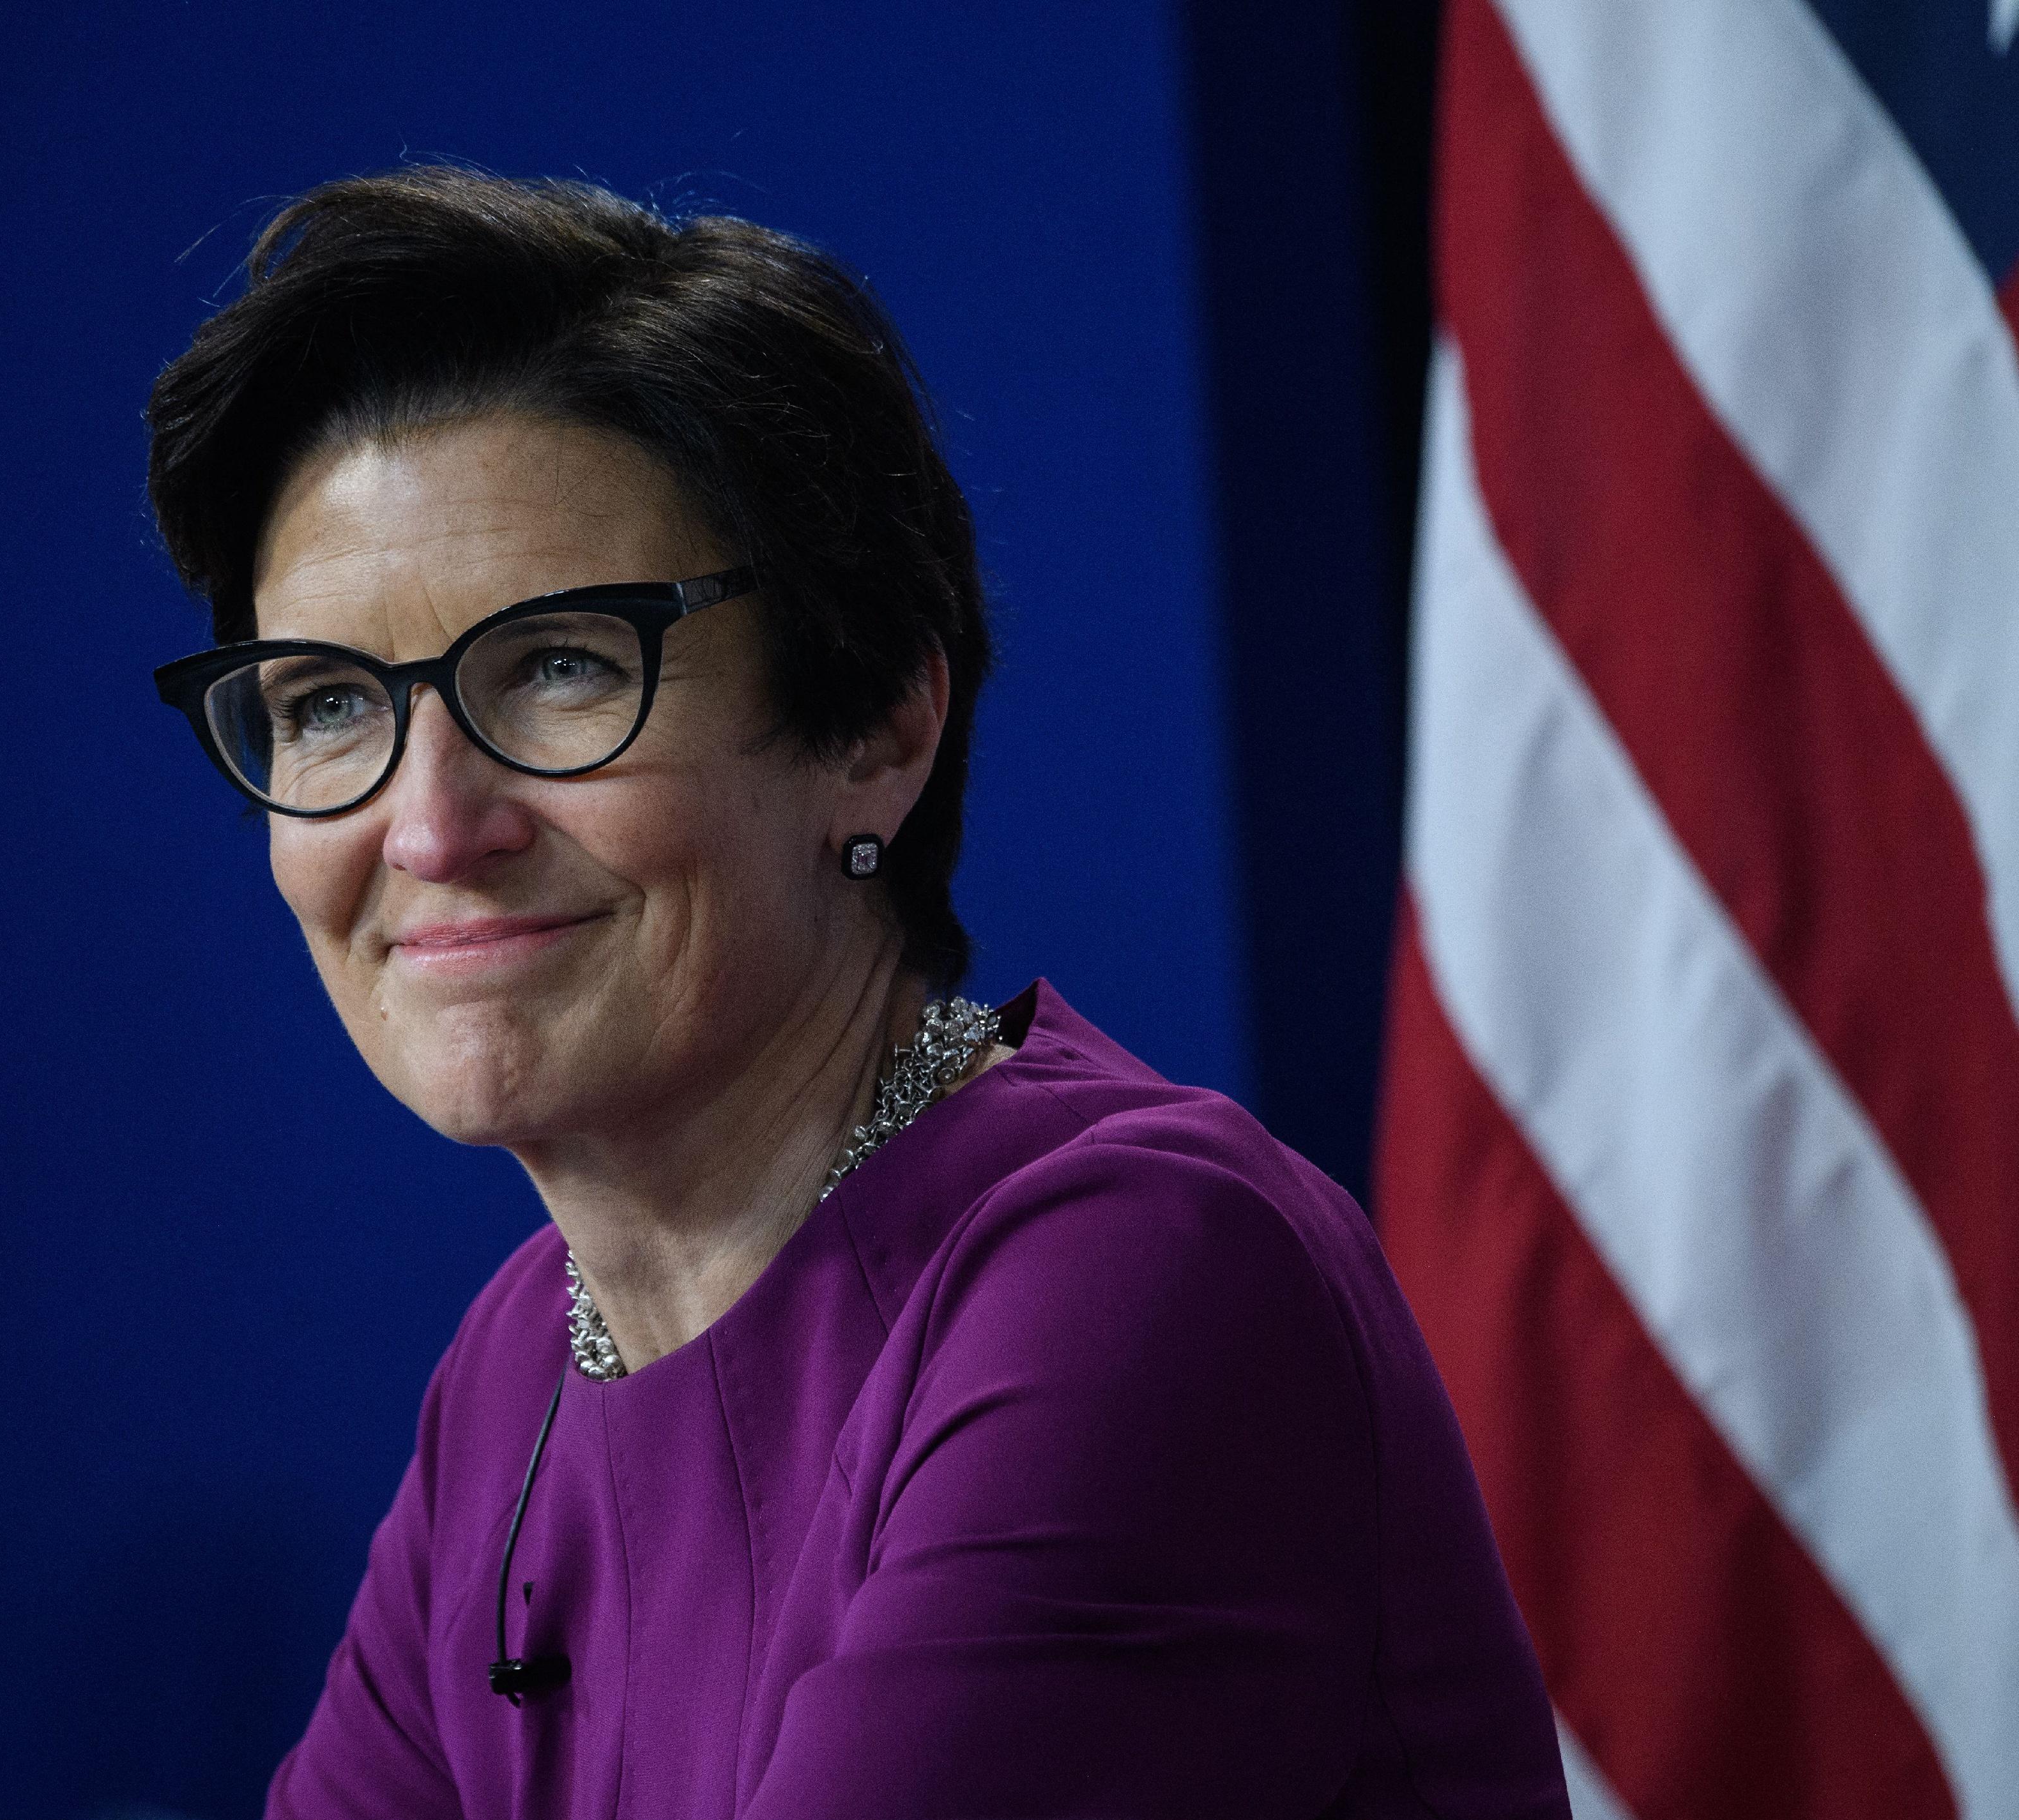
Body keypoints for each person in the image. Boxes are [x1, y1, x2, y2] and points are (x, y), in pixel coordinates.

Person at [143, 166, 1567, 1819]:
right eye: (326, 705)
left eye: (558, 668)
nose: (433, 828)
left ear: (879, 730)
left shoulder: (1142, 1274)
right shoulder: (520, 1366)